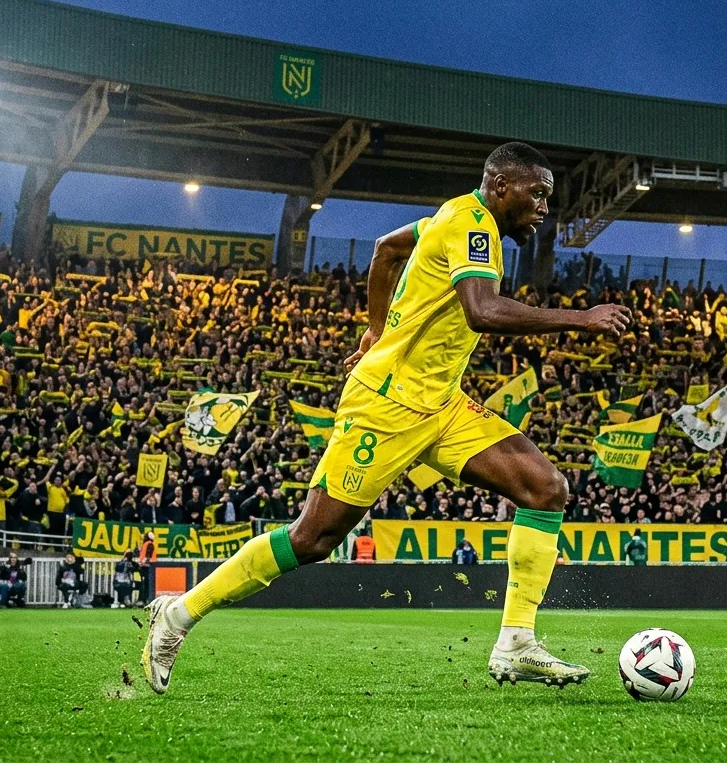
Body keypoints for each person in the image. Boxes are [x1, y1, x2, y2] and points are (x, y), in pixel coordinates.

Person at [142, 142, 630, 693]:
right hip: (386, 405)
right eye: (536, 193)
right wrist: (582, 318)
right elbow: (483, 310)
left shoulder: (451, 214)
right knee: (312, 540)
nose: (544, 206)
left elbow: (384, 249)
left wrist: (376, 328)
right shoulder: (475, 228)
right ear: (500, 187)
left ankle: (516, 642)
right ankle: (177, 616)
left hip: (441, 403)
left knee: (545, 488)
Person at [137, 529, 156, 604]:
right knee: (147, 583)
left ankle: (143, 599)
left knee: (145, 583)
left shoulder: (146, 544)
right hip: (149, 566)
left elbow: (147, 555)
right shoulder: (150, 544)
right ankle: (145, 599)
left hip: (146, 566)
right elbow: (148, 555)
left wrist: (141, 563)